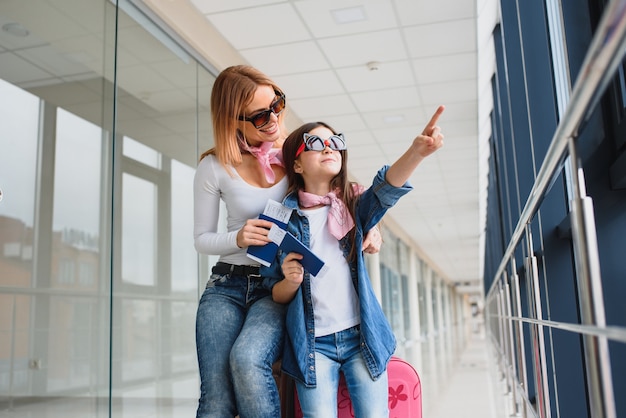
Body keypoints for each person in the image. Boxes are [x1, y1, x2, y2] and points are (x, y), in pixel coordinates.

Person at [192, 64, 383, 418]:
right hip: (225, 285)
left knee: (248, 360)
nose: (274, 118)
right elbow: (201, 239)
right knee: (216, 398)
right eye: (261, 115)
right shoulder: (214, 166)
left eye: (277, 104)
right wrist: (237, 236)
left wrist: (371, 228)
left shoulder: (297, 155)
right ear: (233, 120)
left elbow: (342, 198)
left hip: (275, 287)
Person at [269, 106, 445, 417]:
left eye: (335, 142)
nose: (328, 147)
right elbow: (275, 292)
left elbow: (385, 189)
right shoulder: (279, 217)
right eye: (315, 142)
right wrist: (290, 280)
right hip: (312, 346)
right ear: (296, 163)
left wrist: (416, 153)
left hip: (361, 337)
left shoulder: (353, 205)